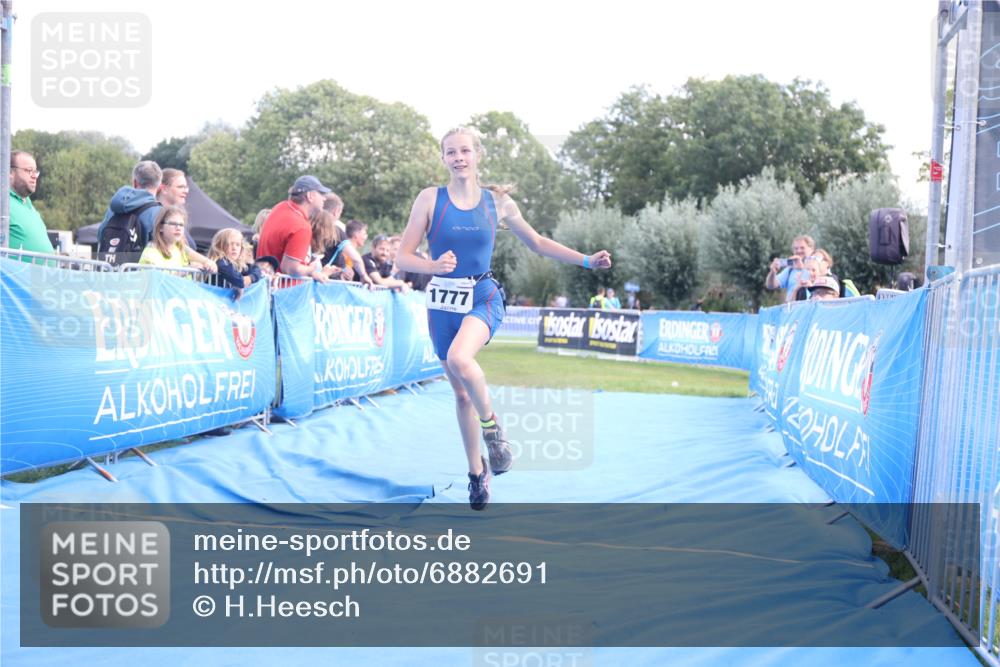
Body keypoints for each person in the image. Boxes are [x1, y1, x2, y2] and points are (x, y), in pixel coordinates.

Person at [395, 126, 612, 510]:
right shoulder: (429, 199)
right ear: (443, 158)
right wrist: (432, 265)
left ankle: (494, 430)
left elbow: (539, 243)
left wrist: (585, 260)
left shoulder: (497, 204)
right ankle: (477, 475)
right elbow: (402, 258)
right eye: (451, 152)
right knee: (461, 392)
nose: (458, 157)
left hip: (482, 293)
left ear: (477, 155)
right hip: (443, 301)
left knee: (463, 360)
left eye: (465, 150)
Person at [256, 175, 331, 282]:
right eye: (321, 193)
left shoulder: (280, 207)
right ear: (310, 196)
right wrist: (312, 270)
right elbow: (290, 268)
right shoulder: (301, 227)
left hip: (266, 287)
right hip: (284, 292)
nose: (324, 198)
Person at [97, 160, 164, 263]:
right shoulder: (159, 213)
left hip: (109, 270)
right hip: (141, 275)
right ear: (159, 186)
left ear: (135, 182)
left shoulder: (113, 208)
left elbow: (101, 235)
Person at [138, 205, 216, 272]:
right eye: (173, 224)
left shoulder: (181, 248)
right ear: (160, 227)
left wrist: (210, 265)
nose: (178, 228)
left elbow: (207, 262)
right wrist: (186, 270)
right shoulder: (151, 252)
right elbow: (159, 282)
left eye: (181, 225)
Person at [8, 150, 56, 256]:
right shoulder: (3, 202)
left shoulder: (29, 205)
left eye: (35, 172)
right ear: (10, 173)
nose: (34, 176)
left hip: (44, 272)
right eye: (29, 170)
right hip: (15, 272)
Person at [766, 235, 815, 302]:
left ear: (811, 249)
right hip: (793, 309)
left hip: (811, 308)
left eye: (802, 248)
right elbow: (770, 286)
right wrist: (773, 272)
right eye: (796, 248)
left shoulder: (818, 266)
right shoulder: (790, 269)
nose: (799, 251)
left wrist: (803, 268)